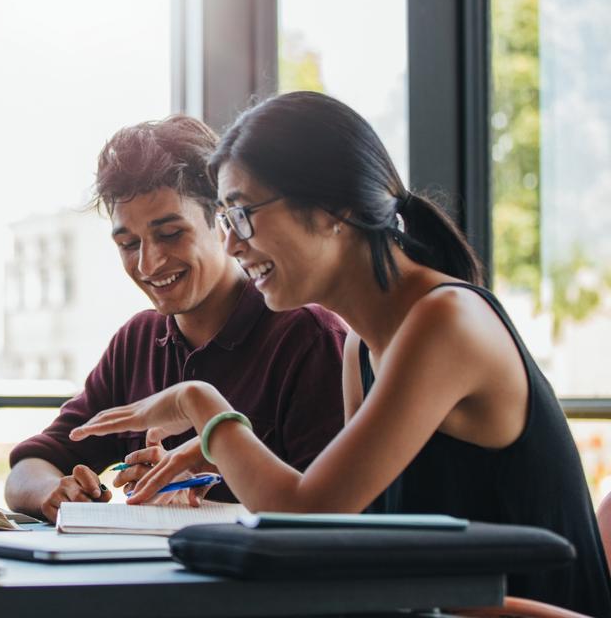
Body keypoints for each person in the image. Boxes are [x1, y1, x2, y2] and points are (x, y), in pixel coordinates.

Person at [70, 92, 611, 614]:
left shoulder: (445, 322)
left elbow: (305, 513)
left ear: (333, 209)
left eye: (242, 214)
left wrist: (201, 405)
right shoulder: (361, 347)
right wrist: (221, 455)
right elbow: (343, 533)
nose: (232, 244)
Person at [4, 115, 347, 523]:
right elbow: (30, 466)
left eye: (169, 234)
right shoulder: (138, 341)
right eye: (128, 244)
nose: (148, 263)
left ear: (223, 222)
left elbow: (328, 513)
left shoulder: (307, 337)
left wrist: (208, 478)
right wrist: (54, 492)